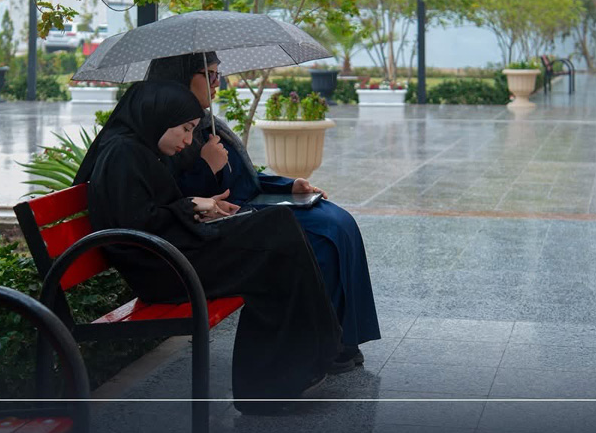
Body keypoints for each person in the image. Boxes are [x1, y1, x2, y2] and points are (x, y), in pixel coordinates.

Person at [73, 81, 341, 411]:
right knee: (275, 233)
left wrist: (203, 207)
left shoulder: (136, 149)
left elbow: (151, 213)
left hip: (171, 257)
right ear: (160, 117)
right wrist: (190, 207)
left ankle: (283, 374)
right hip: (162, 271)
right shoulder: (122, 154)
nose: (188, 140)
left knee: (277, 232)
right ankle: (300, 360)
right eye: (185, 129)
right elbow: (137, 225)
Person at [146, 53, 381, 373]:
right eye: (209, 75)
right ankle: (322, 345)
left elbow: (244, 176)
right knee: (320, 237)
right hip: (232, 219)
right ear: (181, 77)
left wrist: (288, 185)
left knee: (338, 221)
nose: (217, 83)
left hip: (252, 205)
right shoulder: (167, 134)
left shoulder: (208, 123)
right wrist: (206, 166)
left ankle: (345, 338)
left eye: (218, 75)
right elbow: (177, 197)